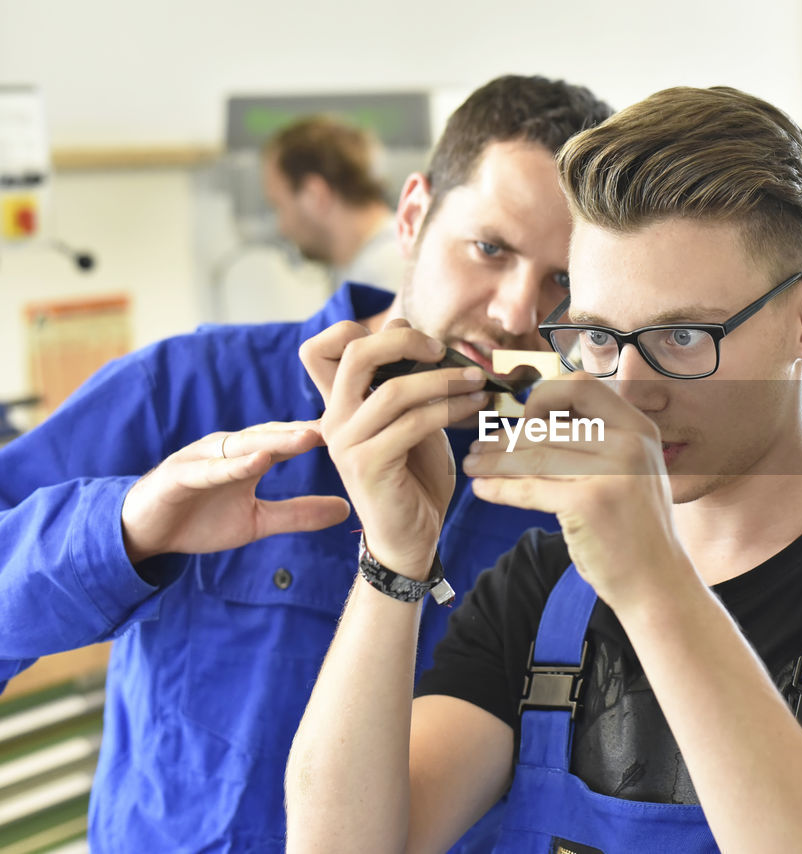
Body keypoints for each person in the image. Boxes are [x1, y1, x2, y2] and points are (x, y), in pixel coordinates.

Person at [286, 86, 802, 853]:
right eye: (595, 337)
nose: (627, 390)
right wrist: (394, 559)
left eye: (683, 335)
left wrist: (654, 585)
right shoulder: (538, 586)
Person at [0, 75, 612, 851]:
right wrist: (126, 530)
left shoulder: (570, 478)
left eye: (562, 280)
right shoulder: (192, 392)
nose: (518, 313)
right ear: (415, 213)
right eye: (490, 249)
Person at [262, 114, 406, 290]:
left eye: (279, 206)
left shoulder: (385, 273)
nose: (281, 227)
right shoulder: (365, 266)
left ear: (314, 195)